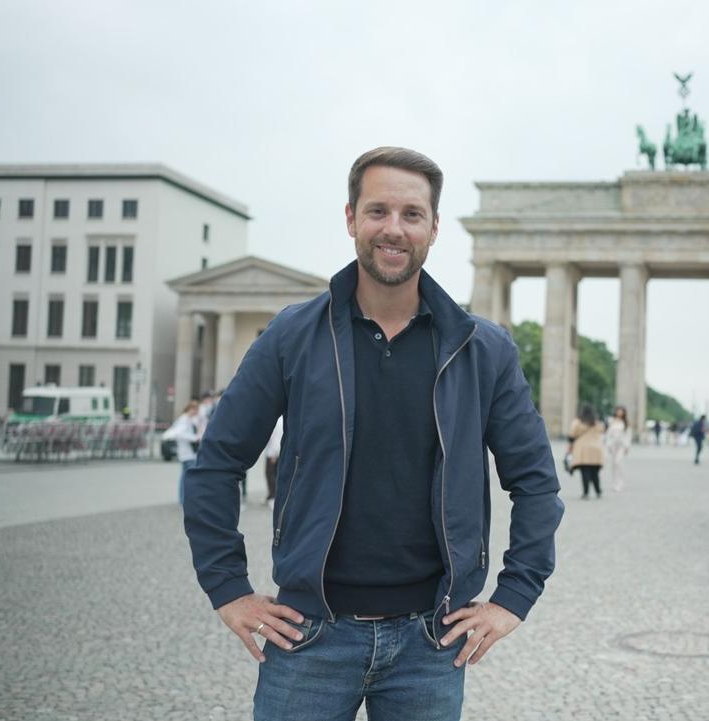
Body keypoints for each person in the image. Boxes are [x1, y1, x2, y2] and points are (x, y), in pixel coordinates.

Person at [183, 147, 564, 721]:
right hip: (310, 635)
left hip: (430, 644)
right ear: (350, 218)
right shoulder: (293, 335)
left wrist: (514, 598)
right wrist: (229, 588)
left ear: (434, 228)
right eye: (378, 210)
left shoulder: (483, 350)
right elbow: (215, 463)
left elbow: (536, 483)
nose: (394, 228)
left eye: (412, 214)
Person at [163, 400, 200, 505]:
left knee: (185, 477)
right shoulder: (184, 419)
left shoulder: (187, 419)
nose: (195, 412)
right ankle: (184, 499)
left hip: (188, 453)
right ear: (189, 409)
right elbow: (179, 434)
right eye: (194, 409)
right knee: (188, 477)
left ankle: (183, 499)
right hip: (187, 453)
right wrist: (195, 438)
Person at [570, 403, 606, 499]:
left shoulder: (578, 422)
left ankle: (586, 493)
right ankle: (598, 491)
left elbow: (572, 434)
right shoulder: (597, 422)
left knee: (585, 472)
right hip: (596, 449)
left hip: (583, 449)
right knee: (595, 472)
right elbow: (603, 430)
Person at [604, 405, 632, 492]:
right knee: (613, 464)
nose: (620, 412)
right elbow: (608, 433)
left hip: (622, 444)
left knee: (618, 462)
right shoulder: (612, 421)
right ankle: (615, 482)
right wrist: (608, 444)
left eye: (621, 411)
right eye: (618, 411)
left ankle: (621, 482)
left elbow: (628, 434)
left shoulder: (626, 422)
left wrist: (627, 446)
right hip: (613, 445)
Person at [263, 417, 282, 510]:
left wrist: (274, 453)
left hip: (273, 452)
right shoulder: (281, 420)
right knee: (273, 474)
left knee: (270, 475)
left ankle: (273, 496)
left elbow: (274, 438)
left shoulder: (277, 421)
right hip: (276, 451)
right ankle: (272, 495)